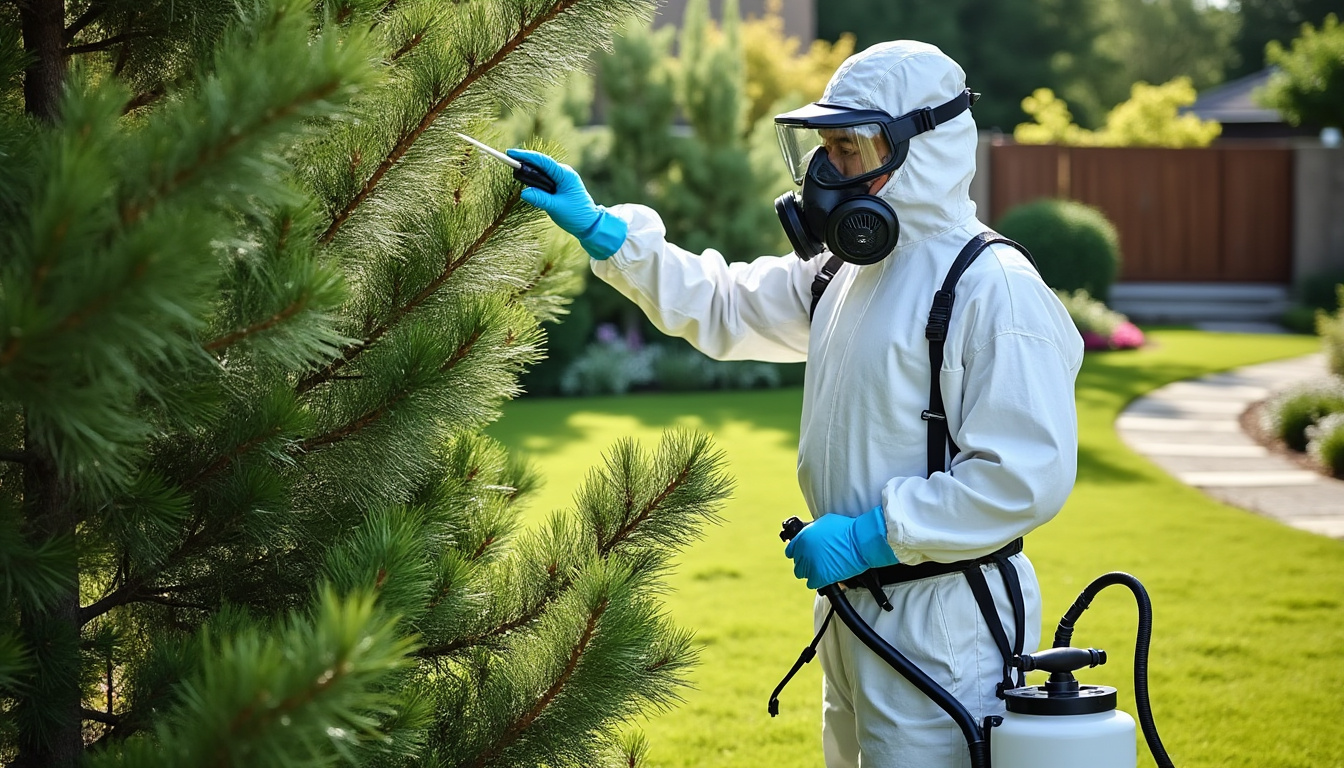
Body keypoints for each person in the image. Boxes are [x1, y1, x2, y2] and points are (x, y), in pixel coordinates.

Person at [509, 40, 1083, 768]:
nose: (827, 171)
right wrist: (608, 234)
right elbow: (724, 305)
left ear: (922, 145)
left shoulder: (991, 287)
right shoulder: (844, 273)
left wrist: (875, 534)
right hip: (855, 612)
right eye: (826, 147)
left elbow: (1022, 476)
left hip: (945, 628)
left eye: (848, 147)